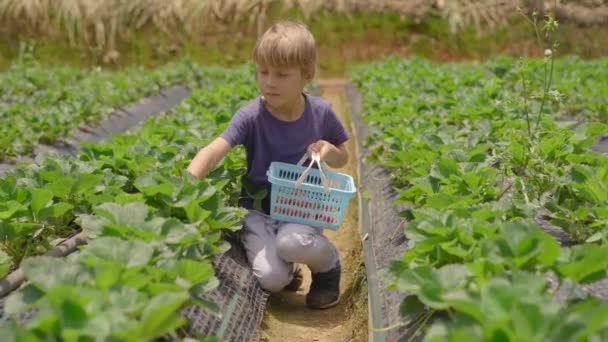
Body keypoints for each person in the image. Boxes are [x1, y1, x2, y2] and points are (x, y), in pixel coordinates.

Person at [186, 20, 349, 310]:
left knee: (291, 243)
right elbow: (214, 150)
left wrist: (327, 151)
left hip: (302, 207)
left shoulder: (320, 113)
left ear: (306, 75)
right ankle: (288, 273)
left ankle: (328, 268)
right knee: (271, 278)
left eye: (282, 74)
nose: (270, 82)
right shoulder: (251, 116)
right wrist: (185, 187)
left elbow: (343, 158)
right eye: (263, 72)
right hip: (258, 210)